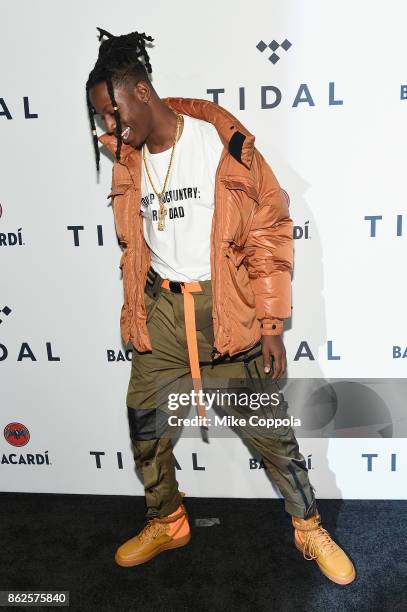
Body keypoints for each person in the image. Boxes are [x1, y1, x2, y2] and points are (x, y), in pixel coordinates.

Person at [86, 27, 356, 585]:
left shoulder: (219, 141)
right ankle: (168, 519)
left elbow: (270, 234)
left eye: (108, 114)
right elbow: (134, 245)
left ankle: (308, 524)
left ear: (138, 91)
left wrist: (271, 322)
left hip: (226, 308)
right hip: (162, 310)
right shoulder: (127, 159)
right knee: (144, 423)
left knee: (271, 434)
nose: (105, 129)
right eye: (99, 120)